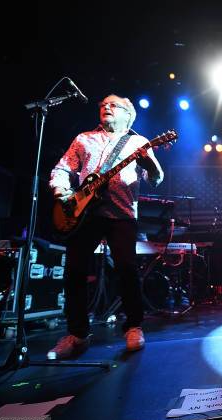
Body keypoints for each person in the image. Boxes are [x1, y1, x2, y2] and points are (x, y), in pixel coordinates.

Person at [47, 94, 164, 359]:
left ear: (128, 115)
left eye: (113, 105)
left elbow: (155, 179)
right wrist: (62, 192)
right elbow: (62, 170)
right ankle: (77, 334)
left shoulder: (138, 142)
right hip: (85, 213)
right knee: (74, 270)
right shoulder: (83, 139)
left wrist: (150, 165)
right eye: (103, 105)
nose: (106, 108)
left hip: (121, 214)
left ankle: (133, 327)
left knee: (126, 269)